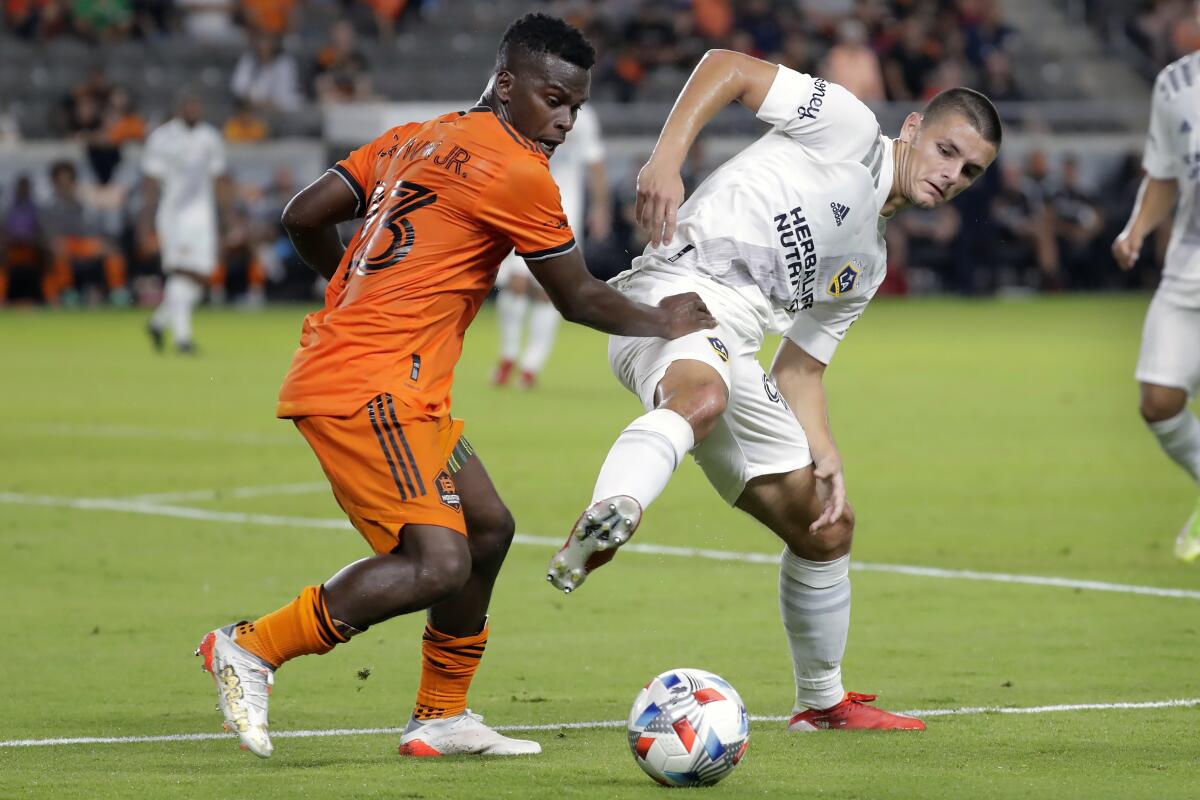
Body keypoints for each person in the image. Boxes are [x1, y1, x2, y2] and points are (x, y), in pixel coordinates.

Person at [194, 13, 714, 760]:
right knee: (438, 562)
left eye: (576, 106)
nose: (564, 120)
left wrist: (352, 288)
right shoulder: (518, 169)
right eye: (553, 99)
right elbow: (577, 298)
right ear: (506, 84)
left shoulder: (414, 136)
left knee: (489, 528)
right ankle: (250, 648)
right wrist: (664, 321)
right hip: (368, 385)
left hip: (390, 380)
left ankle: (441, 715)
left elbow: (302, 215)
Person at [546, 48, 1000, 732]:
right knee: (702, 397)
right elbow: (727, 66)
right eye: (946, 151)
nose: (951, 175)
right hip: (672, 295)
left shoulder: (867, 263)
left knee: (825, 524)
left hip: (737, 345)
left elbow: (800, 371)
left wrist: (826, 452)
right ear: (911, 128)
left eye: (970, 171)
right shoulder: (846, 125)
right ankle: (613, 510)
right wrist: (666, 158)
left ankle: (821, 704)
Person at [1111, 21, 1200, 562]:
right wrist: (1137, 228)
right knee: (1159, 399)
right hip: (1189, 268)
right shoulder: (1175, 84)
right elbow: (1164, 173)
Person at [492, 102, 610, 388]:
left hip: (564, 208)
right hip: (523, 203)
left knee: (547, 290)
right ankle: (508, 354)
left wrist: (600, 208)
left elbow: (594, 163)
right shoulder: (529, 103)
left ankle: (531, 365)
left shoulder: (585, 117)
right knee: (516, 283)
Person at [141, 90, 229, 354]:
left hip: (202, 216)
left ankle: (158, 322)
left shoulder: (209, 137)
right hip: (174, 214)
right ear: (179, 107)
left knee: (203, 274)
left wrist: (226, 217)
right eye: (188, 104)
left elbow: (218, 178)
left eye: (196, 104)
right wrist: (145, 221)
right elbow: (151, 182)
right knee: (181, 271)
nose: (193, 108)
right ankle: (183, 339)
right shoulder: (162, 137)